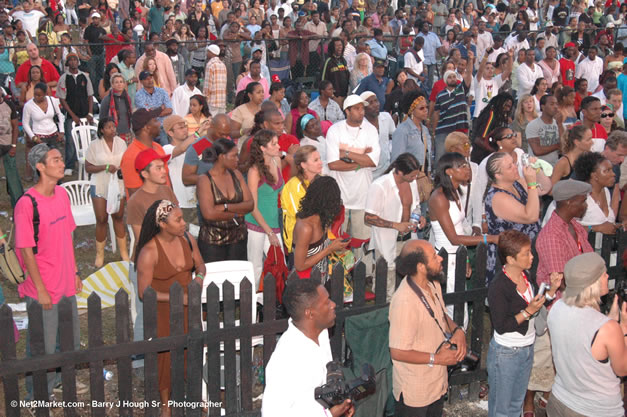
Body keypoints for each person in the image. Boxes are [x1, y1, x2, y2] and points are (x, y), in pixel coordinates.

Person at [15, 143, 85, 399]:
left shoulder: (62, 195)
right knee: (42, 345)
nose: (60, 162)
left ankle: (57, 381)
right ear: (40, 167)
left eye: (59, 158)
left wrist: (75, 272)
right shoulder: (27, 204)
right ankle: (37, 395)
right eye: (54, 159)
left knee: (68, 340)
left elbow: (68, 235)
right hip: (43, 287)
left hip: (65, 281)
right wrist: (41, 290)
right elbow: (26, 250)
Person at [135, 199, 205, 417]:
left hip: (187, 307)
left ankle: (191, 395)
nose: (184, 223)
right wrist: (178, 300)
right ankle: (166, 405)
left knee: (190, 352)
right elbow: (143, 292)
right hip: (163, 312)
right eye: (178, 220)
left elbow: (200, 265)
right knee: (165, 358)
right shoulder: (149, 251)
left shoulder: (187, 238)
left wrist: (199, 279)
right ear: (163, 224)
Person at [531, 179, 595, 415]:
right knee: (545, 359)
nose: (585, 204)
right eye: (582, 200)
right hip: (560, 305)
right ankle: (535, 401)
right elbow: (562, 279)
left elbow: (588, 259)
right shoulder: (551, 234)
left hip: (579, 300)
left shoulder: (575, 226)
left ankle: (555, 396)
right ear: (569, 202)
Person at [389, 239, 467, 417]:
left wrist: (458, 331)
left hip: (436, 383)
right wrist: (437, 359)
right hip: (415, 392)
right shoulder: (405, 302)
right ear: (421, 266)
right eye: (434, 256)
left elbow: (441, 314)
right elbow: (397, 352)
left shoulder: (433, 283)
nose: (440, 258)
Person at [487, 230, 559, 417]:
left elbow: (532, 305)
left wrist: (550, 293)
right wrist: (528, 312)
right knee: (502, 410)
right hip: (507, 353)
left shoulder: (525, 276)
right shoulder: (499, 286)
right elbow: (502, 325)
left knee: (516, 405)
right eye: (526, 253)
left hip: (526, 348)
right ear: (511, 260)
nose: (532, 256)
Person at [546, 252, 627, 417]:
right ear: (594, 282)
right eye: (603, 273)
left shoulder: (556, 307)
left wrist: (608, 321)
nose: (607, 275)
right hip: (596, 410)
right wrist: (623, 329)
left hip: (560, 401)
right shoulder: (608, 328)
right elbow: (622, 369)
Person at [261, 278, 354, 417]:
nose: (333, 305)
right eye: (327, 302)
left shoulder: (321, 332)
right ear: (310, 313)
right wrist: (329, 415)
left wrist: (342, 405)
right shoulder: (285, 360)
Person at [430, 152, 499, 319]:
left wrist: (466, 259)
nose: (467, 169)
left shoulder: (455, 191)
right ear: (449, 172)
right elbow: (453, 238)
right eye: (461, 166)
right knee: (453, 308)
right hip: (445, 257)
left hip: (457, 255)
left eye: (467, 165)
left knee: (460, 306)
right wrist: (489, 238)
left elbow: (459, 228)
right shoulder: (439, 197)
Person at [326, 94, 380, 271]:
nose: (361, 112)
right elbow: (333, 164)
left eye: (362, 108)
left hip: (363, 196)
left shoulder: (370, 130)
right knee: (338, 241)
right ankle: (340, 279)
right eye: (357, 108)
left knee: (362, 241)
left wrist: (346, 154)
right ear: (347, 111)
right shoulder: (335, 130)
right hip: (339, 198)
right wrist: (361, 160)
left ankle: (363, 277)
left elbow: (373, 161)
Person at [365, 153, 423, 301]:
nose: (415, 178)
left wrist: (419, 217)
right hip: (387, 240)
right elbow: (369, 218)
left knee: (411, 275)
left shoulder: (412, 183)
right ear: (400, 172)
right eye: (412, 175)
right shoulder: (379, 186)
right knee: (386, 281)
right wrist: (395, 225)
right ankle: (383, 310)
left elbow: (415, 206)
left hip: (408, 238)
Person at [484, 152, 541, 285]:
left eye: (514, 163)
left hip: (527, 251)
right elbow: (531, 216)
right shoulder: (497, 196)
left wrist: (537, 169)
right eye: (510, 167)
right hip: (511, 257)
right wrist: (531, 183)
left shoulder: (516, 182)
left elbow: (546, 188)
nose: (516, 167)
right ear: (498, 175)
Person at [196, 138, 253, 263]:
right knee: (215, 280)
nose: (237, 159)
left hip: (238, 238)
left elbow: (250, 205)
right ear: (221, 157)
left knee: (238, 279)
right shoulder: (204, 179)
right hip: (212, 242)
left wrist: (225, 207)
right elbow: (209, 214)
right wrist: (237, 213)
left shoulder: (236, 174)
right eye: (234, 156)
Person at [85, 117, 129, 267]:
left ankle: (123, 252)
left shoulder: (121, 143)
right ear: (102, 130)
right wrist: (104, 167)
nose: (112, 129)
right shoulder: (94, 145)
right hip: (100, 183)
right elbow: (88, 167)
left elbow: (127, 161)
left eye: (113, 127)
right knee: (102, 219)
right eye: (109, 127)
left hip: (118, 183)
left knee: (118, 216)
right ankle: (100, 254)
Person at [244, 129, 284, 290]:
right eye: (273, 144)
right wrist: (269, 232)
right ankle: (252, 309)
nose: (278, 146)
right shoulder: (254, 171)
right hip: (256, 224)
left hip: (273, 222)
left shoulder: (276, 161)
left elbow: (282, 192)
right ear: (262, 148)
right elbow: (252, 206)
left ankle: (276, 305)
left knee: (280, 265)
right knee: (255, 268)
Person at [292, 176, 349, 281]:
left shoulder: (322, 219)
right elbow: (299, 265)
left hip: (320, 280)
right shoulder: (306, 228)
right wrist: (330, 249)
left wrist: (335, 244)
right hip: (304, 286)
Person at [56, 52, 94, 177]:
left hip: (84, 114)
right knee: (71, 141)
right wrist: (72, 115)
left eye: (75, 60)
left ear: (78, 62)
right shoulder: (64, 78)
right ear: (67, 63)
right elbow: (62, 99)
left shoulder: (84, 76)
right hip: (71, 116)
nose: (73, 62)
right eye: (70, 60)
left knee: (87, 139)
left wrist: (90, 113)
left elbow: (90, 95)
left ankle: (89, 163)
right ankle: (70, 165)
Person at [280, 145, 322, 258]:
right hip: (300, 242)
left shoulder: (321, 181)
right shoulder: (293, 186)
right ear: (303, 165)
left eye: (320, 158)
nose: (320, 162)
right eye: (315, 160)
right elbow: (301, 216)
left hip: (319, 239)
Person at [432, 53, 474, 164]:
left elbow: (469, 74)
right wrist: (434, 130)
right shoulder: (440, 95)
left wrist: (470, 60)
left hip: (461, 130)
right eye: (449, 77)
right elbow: (436, 113)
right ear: (446, 80)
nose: (452, 79)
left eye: (454, 76)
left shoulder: (461, 89)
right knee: (440, 159)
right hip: (443, 130)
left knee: (462, 158)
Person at [120, 108, 170, 197]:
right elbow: (135, 194)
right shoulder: (131, 156)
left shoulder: (158, 147)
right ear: (147, 128)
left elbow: (167, 180)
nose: (159, 124)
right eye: (155, 121)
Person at [162, 115, 207, 211]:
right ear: (170, 133)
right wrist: (199, 131)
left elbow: (209, 144)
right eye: (181, 127)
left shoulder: (193, 147)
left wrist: (211, 131)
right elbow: (181, 148)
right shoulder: (166, 149)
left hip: (198, 201)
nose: (185, 130)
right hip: (181, 204)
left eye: (185, 126)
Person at [573, 152, 623, 234]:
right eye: (608, 171)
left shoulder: (606, 192)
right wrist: (595, 228)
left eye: (612, 170)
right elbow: (566, 229)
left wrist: (617, 227)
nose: (613, 174)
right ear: (594, 176)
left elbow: (606, 225)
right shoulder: (579, 196)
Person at [22, 83, 66, 174]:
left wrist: (61, 131)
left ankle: (57, 183)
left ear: (45, 94)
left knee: (56, 161)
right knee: (42, 164)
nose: (36, 97)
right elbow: (25, 123)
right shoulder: (28, 106)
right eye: (35, 95)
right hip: (39, 138)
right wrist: (33, 137)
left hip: (54, 135)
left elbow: (60, 116)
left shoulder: (52, 101)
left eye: (39, 95)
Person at [182, 114, 232, 186]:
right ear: (211, 126)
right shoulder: (198, 147)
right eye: (221, 134)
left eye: (227, 135)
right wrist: (212, 179)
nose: (224, 138)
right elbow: (186, 179)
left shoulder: (229, 144)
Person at [391, 91, 432, 175]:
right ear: (412, 111)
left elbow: (428, 157)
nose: (426, 110)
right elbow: (396, 160)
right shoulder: (402, 130)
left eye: (426, 107)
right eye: (421, 108)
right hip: (408, 177)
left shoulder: (425, 130)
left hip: (423, 176)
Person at [361, 91, 395, 179]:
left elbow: (395, 137)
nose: (376, 105)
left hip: (387, 169)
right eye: (370, 103)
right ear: (363, 108)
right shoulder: (360, 125)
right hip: (368, 173)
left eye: (376, 101)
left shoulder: (386, 117)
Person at [0, 87, 23, 208]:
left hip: (8, 145)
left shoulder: (9, 105)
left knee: (12, 174)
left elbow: (15, 127)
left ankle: (18, 202)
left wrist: (14, 146)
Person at [525, 95, 564, 167]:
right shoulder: (533, 125)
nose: (555, 107)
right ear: (543, 107)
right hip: (537, 167)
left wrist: (560, 124)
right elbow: (537, 150)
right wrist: (558, 146)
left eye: (556, 104)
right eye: (552, 104)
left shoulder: (560, 125)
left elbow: (564, 147)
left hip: (555, 166)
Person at [99, 73, 133, 140]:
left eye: (121, 82)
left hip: (127, 133)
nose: (119, 84)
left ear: (124, 84)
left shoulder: (127, 99)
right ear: (112, 85)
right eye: (116, 82)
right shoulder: (107, 99)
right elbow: (102, 118)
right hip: (113, 134)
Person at [321, 37, 350, 105]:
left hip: (345, 97)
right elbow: (323, 81)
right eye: (336, 45)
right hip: (334, 98)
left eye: (340, 45)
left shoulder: (343, 60)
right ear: (332, 47)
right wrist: (332, 96)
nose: (339, 47)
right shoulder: (328, 61)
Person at [203, 44, 227, 116]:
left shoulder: (210, 64)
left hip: (212, 100)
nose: (207, 54)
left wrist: (205, 97)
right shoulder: (222, 64)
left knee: (211, 122)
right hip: (222, 100)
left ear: (211, 52)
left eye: (208, 52)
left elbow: (208, 84)